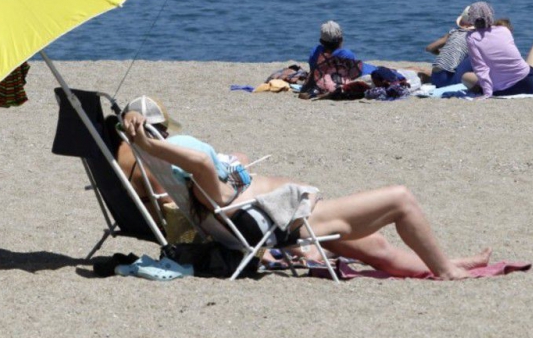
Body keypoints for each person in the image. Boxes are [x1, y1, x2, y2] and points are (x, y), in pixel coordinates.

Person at [122, 96, 494, 280]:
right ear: (164, 132)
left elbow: (210, 174)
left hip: (256, 222)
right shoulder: (183, 160)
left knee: (378, 248)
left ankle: (448, 262)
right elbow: (204, 164)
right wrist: (154, 144)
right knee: (401, 198)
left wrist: (145, 141)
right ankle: (446, 272)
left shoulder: (164, 162)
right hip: (277, 222)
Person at [460, 2, 533, 98]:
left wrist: (488, 93)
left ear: (472, 20)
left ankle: (483, 89)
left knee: (465, 77)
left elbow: (480, 68)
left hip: (501, 90)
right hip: (528, 85)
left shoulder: (472, 38)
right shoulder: (504, 30)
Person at [424, 6, 474, 88]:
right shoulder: (476, 36)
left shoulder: (454, 32)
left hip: (435, 77)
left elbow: (429, 48)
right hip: (448, 80)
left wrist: (441, 53)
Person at [307, 20, 375, 76]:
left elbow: (313, 72)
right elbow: (352, 75)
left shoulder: (316, 52)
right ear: (341, 40)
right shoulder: (345, 54)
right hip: (370, 72)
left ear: (321, 41)